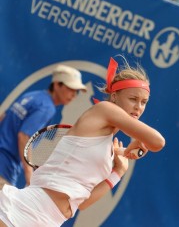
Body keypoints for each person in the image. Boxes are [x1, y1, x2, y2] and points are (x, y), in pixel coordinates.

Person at [0, 57, 166, 227]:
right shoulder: (104, 109)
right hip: (21, 210)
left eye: (144, 102)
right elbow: (157, 142)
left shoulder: (108, 150)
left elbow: (82, 203)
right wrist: (139, 137)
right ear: (114, 97)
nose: (139, 107)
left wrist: (118, 172)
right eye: (133, 99)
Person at [0, 65, 87, 189]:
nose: (74, 95)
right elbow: (24, 136)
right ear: (57, 85)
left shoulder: (32, 95)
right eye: (70, 88)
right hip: (4, 169)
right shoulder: (47, 108)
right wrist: (29, 175)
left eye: (76, 91)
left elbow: (3, 117)